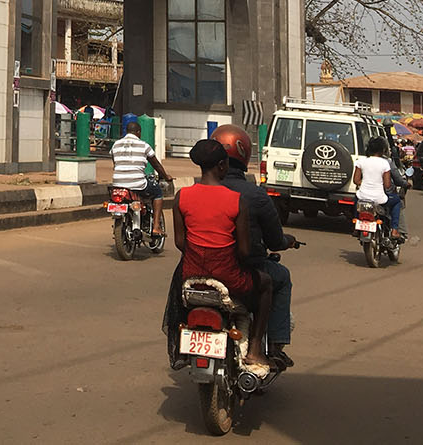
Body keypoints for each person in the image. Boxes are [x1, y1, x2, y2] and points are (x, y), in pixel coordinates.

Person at [171, 139, 274, 371]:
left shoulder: (182, 196)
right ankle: (256, 348)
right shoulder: (236, 201)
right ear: (221, 166)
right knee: (266, 284)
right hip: (228, 277)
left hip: (192, 274)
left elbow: (180, 243)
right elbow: (244, 251)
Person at [212, 123, 298, 369]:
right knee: (279, 277)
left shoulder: (194, 193)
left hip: (199, 269)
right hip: (241, 272)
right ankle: (270, 346)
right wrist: (286, 242)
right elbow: (274, 241)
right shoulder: (254, 195)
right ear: (245, 154)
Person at [111, 115, 174, 245]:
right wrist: (166, 176)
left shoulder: (115, 145)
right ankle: (156, 226)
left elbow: (115, 163)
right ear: (138, 132)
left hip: (117, 184)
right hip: (137, 184)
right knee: (157, 193)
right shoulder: (144, 145)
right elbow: (156, 164)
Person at [352, 136, 401, 238]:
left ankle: (356, 226)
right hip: (379, 199)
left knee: (356, 199)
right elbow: (387, 185)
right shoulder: (385, 163)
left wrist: (365, 182)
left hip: (363, 197)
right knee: (397, 201)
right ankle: (394, 230)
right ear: (383, 150)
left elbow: (356, 181)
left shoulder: (361, 161)